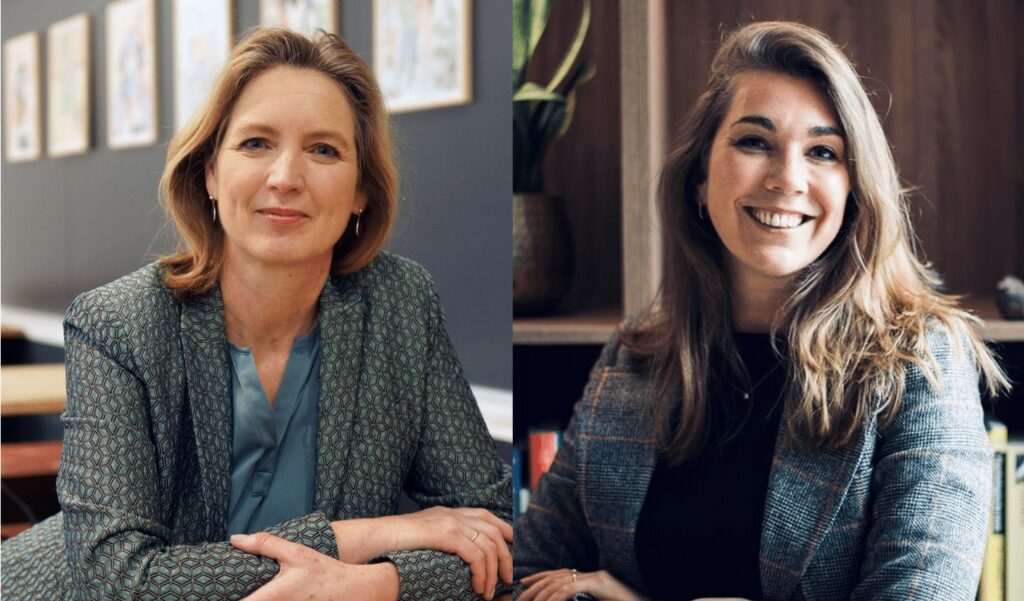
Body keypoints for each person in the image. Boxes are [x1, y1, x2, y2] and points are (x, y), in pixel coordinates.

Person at [1, 28, 511, 601]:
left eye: (324, 149)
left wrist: (375, 583)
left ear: (361, 190)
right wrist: (360, 537)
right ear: (211, 172)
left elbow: (490, 527)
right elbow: (116, 582)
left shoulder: (400, 304)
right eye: (255, 144)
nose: (285, 177)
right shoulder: (119, 324)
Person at [513, 20, 1008, 601]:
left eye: (823, 152)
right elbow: (527, 574)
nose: (787, 179)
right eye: (754, 142)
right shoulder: (635, 358)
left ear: (854, 191)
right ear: (700, 179)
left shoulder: (920, 362)